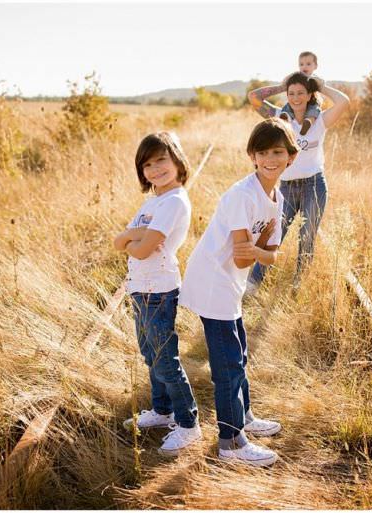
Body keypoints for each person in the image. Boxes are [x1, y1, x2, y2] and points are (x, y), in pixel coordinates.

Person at [178, 118, 299, 466]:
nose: (270, 158)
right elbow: (250, 254)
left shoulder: (276, 197)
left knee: (239, 353)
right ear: (252, 156)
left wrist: (258, 251)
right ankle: (230, 442)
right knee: (228, 363)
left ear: (290, 156)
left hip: (230, 283)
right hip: (212, 281)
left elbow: (267, 256)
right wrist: (260, 251)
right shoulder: (241, 195)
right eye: (262, 152)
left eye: (278, 151)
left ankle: (243, 416)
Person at [114, 132, 201, 456]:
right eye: (147, 164)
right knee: (150, 355)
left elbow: (140, 249)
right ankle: (162, 410)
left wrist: (130, 238)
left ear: (177, 160)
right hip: (140, 289)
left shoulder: (175, 200)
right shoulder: (153, 201)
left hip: (158, 291)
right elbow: (123, 242)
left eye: (161, 160)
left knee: (165, 360)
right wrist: (133, 237)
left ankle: (188, 424)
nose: (155, 169)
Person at [246, 71, 350, 293]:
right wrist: (280, 86)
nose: (295, 98)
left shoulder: (320, 120)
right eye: (291, 93)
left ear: (309, 94)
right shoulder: (280, 119)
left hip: (314, 186)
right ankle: (254, 283)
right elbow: (254, 97)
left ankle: (299, 282)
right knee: (274, 233)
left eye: (300, 93)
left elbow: (344, 101)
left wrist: (321, 86)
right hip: (286, 187)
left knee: (307, 236)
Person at [279, 51, 322, 136]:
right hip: (300, 101)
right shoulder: (297, 76)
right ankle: (286, 117)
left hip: (313, 100)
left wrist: (315, 82)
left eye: (308, 64)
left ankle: (308, 121)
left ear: (315, 66)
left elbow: (322, 84)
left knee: (314, 110)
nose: (304, 67)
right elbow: (285, 81)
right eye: (301, 64)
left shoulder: (315, 78)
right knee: (288, 106)